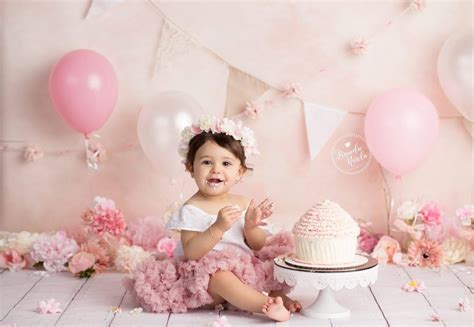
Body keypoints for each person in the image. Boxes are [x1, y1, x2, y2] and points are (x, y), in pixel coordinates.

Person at [126, 116, 300, 322]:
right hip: (205, 281)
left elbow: (258, 245)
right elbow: (192, 252)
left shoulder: (243, 203)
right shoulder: (192, 209)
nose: (216, 169)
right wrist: (217, 227)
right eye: (207, 162)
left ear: (240, 171)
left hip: (245, 272)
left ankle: (276, 295)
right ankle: (263, 304)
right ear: (191, 168)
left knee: (269, 268)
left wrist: (252, 226)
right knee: (220, 276)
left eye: (226, 163)